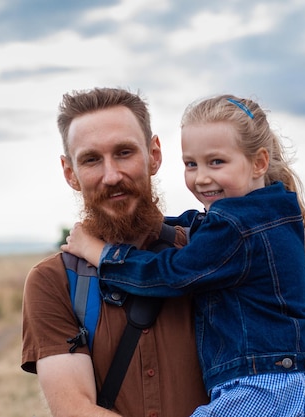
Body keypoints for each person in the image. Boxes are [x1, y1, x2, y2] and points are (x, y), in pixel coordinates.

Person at [62, 94, 305, 416]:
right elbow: (202, 227)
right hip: (284, 384)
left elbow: (170, 274)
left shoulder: (237, 228)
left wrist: (99, 252)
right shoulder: (268, 213)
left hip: (260, 387)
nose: (201, 177)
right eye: (191, 164)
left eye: (216, 162)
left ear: (259, 162)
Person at [20, 87, 209, 417]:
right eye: (91, 159)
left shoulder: (210, 255)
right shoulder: (56, 282)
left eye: (124, 152)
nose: (111, 176)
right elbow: (77, 409)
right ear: (70, 173)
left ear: (154, 155)